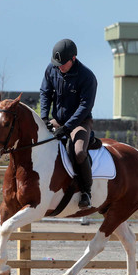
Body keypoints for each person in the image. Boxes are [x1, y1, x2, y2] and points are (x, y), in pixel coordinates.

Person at [40, 39, 98, 209]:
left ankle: (86, 191)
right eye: (56, 64)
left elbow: (85, 106)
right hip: (57, 119)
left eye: (63, 63)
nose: (59, 67)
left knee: (79, 151)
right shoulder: (52, 69)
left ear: (73, 58)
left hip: (80, 121)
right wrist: (44, 118)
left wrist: (67, 128)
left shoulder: (87, 77)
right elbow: (45, 93)